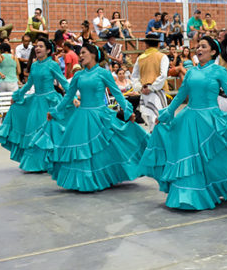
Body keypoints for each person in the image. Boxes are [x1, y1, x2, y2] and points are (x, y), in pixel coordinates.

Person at [140, 36, 227, 210]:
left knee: (217, 157)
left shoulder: (219, 71)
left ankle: (225, 186)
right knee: (191, 159)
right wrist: (166, 114)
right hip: (189, 119)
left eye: (203, 46)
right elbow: (180, 96)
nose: (198, 49)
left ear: (213, 52)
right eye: (198, 46)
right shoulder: (191, 72)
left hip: (210, 119)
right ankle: (189, 195)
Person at [37, 44, 148, 192]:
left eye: (83, 53)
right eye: (79, 53)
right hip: (81, 117)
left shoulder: (103, 73)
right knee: (82, 152)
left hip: (100, 115)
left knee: (103, 150)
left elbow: (117, 93)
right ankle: (84, 180)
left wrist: (128, 111)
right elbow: (68, 97)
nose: (80, 56)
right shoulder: (78, 75)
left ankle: (102, 178)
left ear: (93, 54)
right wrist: (55, 111)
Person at [0, 37, 70, 171]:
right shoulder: (34, 65)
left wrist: (72, 97)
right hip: (36, 101)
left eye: (40, 46)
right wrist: (17, 96)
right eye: (36, 46)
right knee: (33, 131)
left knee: (48, 131)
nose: (37, 48)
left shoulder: (52, 64)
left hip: (50, 102)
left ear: (47, 50)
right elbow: (29, 84)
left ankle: (49, 162)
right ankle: (36, 164)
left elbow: (63, 82)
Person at [131, 33, 169, 133]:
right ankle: (158, 142)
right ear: (157, 44)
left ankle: (153, 141)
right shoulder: (162, 56)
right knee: (159, 119)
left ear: (146, 44)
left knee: (151, 119)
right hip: (157, 91)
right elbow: (163, 75)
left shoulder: (140, 58)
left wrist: (140, 88)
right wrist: (152, 87)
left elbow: (134, 76)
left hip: (144, 92)